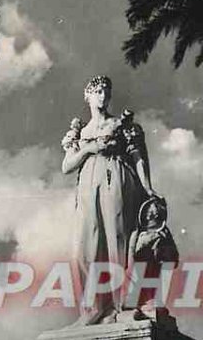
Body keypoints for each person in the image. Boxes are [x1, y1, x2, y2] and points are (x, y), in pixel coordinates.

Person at [61, 75, 157, 323]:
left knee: (118, 240)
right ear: (88, 95)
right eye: (98, 91)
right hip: (87, 186)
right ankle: (93, 307)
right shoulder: (79, 132)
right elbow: (66, 166)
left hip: (116, 177)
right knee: (85, 247)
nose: (103, 96)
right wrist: (88, 149)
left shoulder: (122, 125)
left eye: (106, 92)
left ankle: (120, 306)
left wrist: (148, 188)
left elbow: (138, 157)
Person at [127, 196, 179, 318]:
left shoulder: (164, 232)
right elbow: (133, 252)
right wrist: (149, 240)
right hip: (140, 267)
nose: (153, 213)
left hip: (156, 267)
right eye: (150, 211)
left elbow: (173, 257)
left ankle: (152, 304)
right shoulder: (138, 233)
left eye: (156, 211)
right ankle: (138, 304)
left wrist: (163, 246)